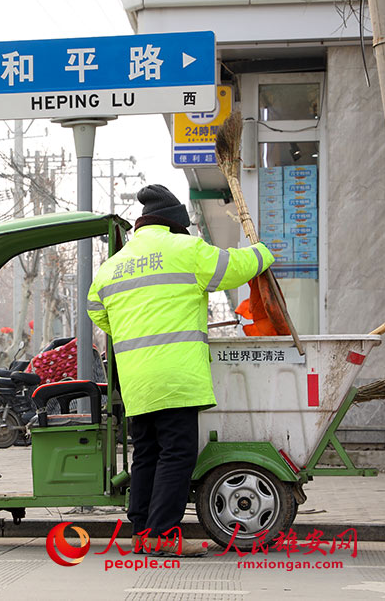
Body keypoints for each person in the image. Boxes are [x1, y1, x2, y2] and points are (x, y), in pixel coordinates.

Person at [87, 184, 274, 557]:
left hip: (137, 379)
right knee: (177, 453)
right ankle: (162, 535)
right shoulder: (186, 250)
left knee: (147, 454)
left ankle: (141, 530)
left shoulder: (113, 265)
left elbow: (97, 310)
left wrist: (132, 329)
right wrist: (263, 252)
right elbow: (235, 268)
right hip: (175, 376)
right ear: (175, 225)